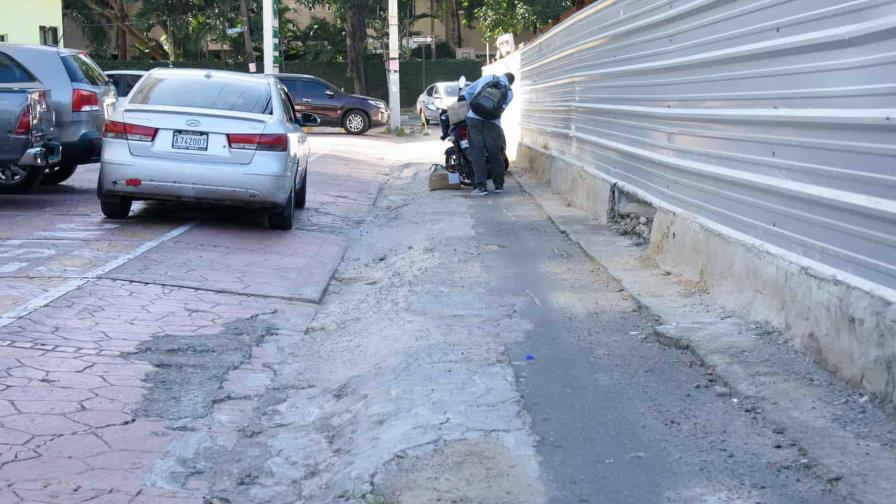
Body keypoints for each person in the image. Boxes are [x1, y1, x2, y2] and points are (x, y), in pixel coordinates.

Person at [463, 72, 515, 196]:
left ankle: (481, 187)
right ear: (511, 82)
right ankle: (499, 185)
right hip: (493, 124)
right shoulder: (510, 93)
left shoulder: (488, 78)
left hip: (474, 119)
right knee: (496, 153)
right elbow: (500, 110)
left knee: (477, 153)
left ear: (502, 75)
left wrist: (474, 109)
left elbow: (469, 92)